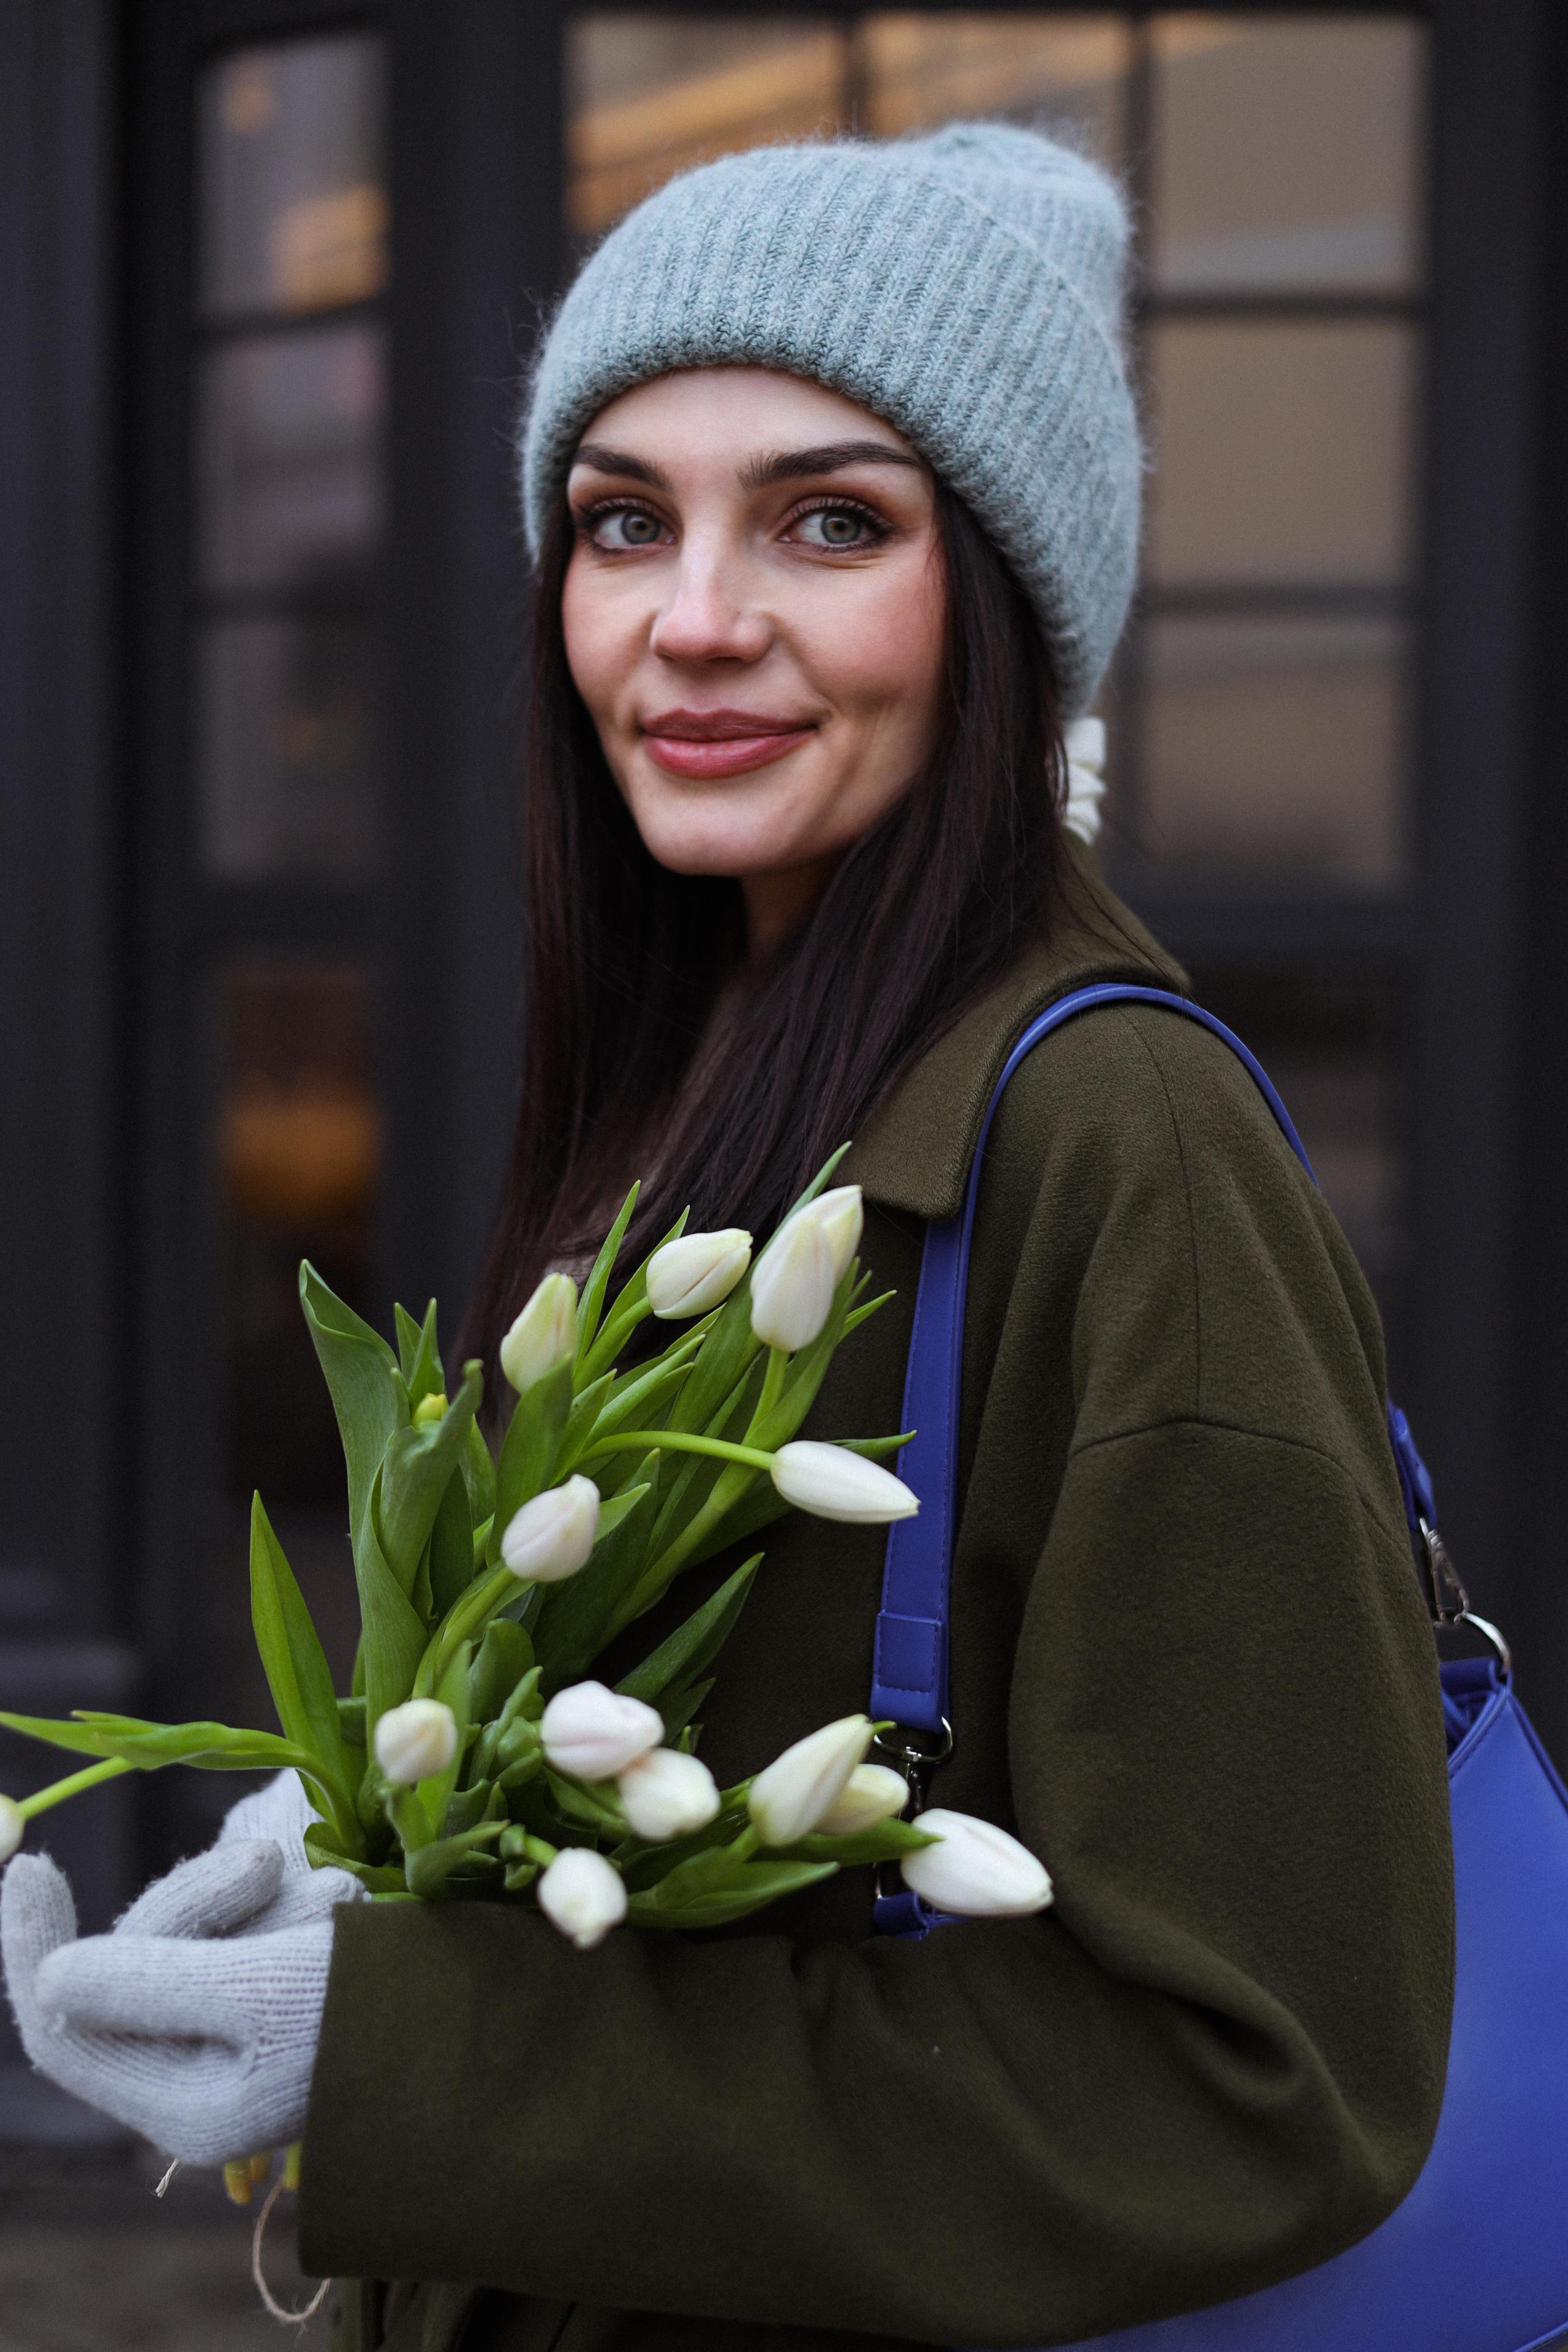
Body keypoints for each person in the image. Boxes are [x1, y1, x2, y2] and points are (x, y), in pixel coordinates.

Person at [2, 124, 1452, 2352]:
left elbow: (1255, 2085)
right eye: (618, 521)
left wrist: (397, 2056)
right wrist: (378, 1873)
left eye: (831, 520)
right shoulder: (729, 1053)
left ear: (1006, 601)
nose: (690, 618)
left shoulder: (1113, 1144)